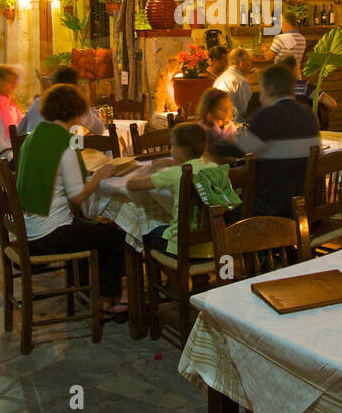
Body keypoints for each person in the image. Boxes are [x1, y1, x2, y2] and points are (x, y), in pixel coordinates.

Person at [15, 84, 127, 320]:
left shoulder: (32, 138)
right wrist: (99, 176)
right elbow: (77, 195)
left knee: (91, 230)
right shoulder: (65, 144)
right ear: (74, 112)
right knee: (114, 236)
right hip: (49, 234)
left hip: (26, 231)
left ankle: (88, 291)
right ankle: (108, 300)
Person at [129, 122, 240, 259]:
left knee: (148, 232)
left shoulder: (175, 173)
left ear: (181, 149)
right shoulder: (215, 168)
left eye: (173, 145)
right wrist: (170, 162)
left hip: (181, 246)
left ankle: (167, 278)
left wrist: (142, 171)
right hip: (216, 243)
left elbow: (132, 185)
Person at [224, 65, 321, 217]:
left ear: (269, 89)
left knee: (221, 213)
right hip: (306, 205)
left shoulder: (267, 116)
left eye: (261, 90)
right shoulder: (309, 115)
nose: (260, 98)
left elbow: (239, 150)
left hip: (274, 208)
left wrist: (216, 141)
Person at [18, 65, 107, 135]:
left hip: (33, 155)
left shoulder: (37, 103)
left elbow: (19, 132)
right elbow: (100, 129)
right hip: (58, 155)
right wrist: (86, 100)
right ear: (75, 87)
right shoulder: (74, 107)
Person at [276, 53, 336, 120]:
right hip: (305, 127)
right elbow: (332, 104)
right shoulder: (305, 87)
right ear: (295, 69)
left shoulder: (272, 90)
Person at [196, 88, 243, 159]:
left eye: (228, 107)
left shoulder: (229, 126)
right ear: (210, 109)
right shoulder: (202, 127)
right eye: (222, 108)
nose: (227, 110)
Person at [212, 47, 253, 122]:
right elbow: (247, 111)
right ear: (241, 63)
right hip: (237, 128)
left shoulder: (218, 79)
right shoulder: (241, 82)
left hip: (219, 126)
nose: (250, 64)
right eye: (249, 61)